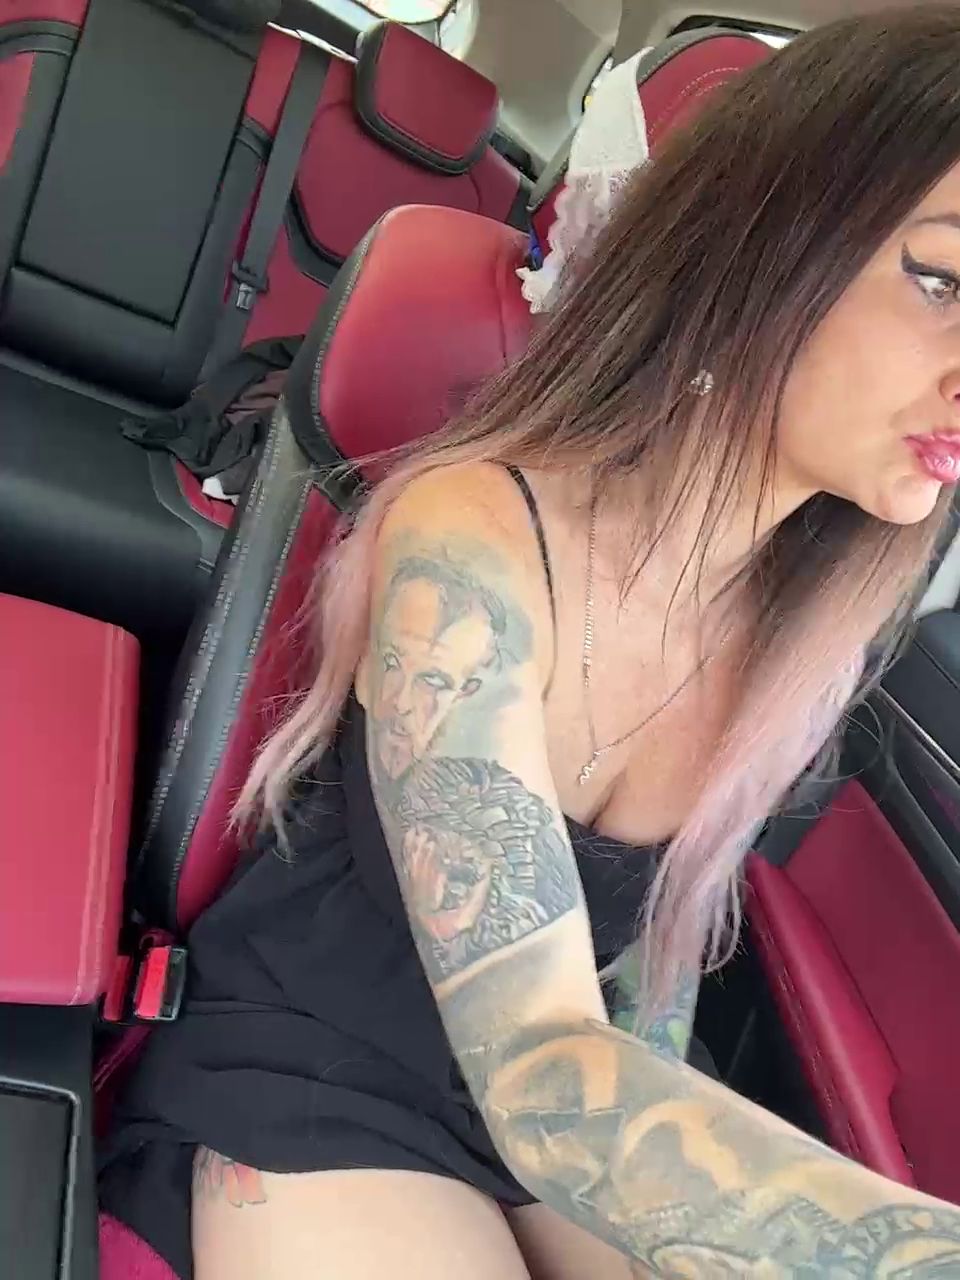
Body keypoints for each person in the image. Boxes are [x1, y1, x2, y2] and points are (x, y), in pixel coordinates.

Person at [100, 8, 960, 1277]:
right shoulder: (476, 538)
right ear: (770, 238)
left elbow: (647, 978)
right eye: (942, 282)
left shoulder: (805, 640)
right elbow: (540, 1056)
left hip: (544, 1106)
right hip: (320, 1064)